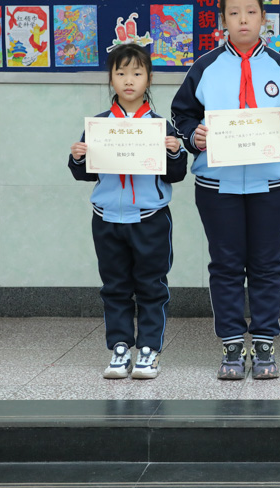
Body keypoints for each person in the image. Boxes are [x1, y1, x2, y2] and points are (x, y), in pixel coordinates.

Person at [170, 0, 280, 380]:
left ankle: (264, 343)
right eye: (234, 13)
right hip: (217, 186)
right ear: (222, 21)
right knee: (226, 264)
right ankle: (231, 345)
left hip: (272, 185)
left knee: (266, 264)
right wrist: (193, 136)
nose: (243, 19)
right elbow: (182, 115)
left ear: (264, 18)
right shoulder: (205, 67)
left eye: (250, 12)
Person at [69, 43, 188, 380]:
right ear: (111, 79)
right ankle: (120, 348)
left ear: (149, 78)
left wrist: (175, 152)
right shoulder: (99, 126)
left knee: (151, 286)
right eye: (120, 73)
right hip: (106, 218)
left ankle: (148, 350)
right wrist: (78, 157)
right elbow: (85, 174)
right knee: (115, 287)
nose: (129, 80)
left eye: (137, 73)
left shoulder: (161, 127)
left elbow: (176, 175)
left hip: (150, 220)